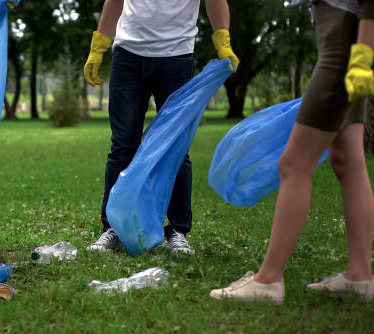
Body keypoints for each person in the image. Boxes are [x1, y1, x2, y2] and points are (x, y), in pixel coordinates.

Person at [210, 0, 374, 304]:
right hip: (345, 41)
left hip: (347, 44)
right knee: (348, 161)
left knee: (294, 163)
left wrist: (363, 54)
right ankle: (360, 276)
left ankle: (268, 281)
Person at [83, 0, 239, 254]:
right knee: (123, 146)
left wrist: (222, 39)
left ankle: (178, 231)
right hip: (128, 55)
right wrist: (99, 45)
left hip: (176, 57)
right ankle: (112, 228)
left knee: (176, 149)